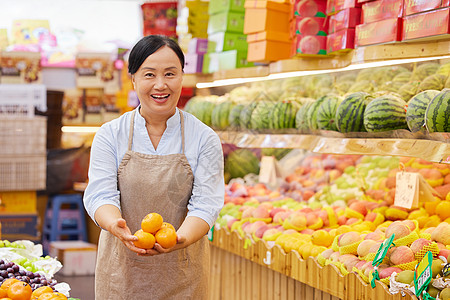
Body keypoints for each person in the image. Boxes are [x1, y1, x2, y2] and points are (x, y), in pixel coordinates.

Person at [83, 35, 225, 299]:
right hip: (121, 273)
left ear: (182, 76)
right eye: (149, 74)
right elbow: (100, 194)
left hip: (183, 273)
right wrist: (116, 226)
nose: (161, 85)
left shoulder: (203, 138)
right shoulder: (110, 134)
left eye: (170, 74)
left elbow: (207, 204)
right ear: (134, 78)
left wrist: (179, 238)